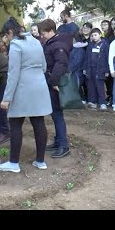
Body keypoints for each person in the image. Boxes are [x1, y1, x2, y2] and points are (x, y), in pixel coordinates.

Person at [0, 17, 52, 173]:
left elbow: (13, 74)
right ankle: (40, 161)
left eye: (6, 36)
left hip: (23, 88)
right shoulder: (36, 42)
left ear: (11, 32)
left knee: (15, 124)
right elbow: (44, 66)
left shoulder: (16, 45)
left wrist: (6, 98)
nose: (6, 39)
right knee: (38, 122)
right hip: (39, 86)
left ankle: (14, 163)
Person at [40, 18, 72, 158]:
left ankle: (64, 146)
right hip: (51, 82)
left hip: (55, 84)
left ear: (51, 31)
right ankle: (58, 141)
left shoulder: (58, 45)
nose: (42, 36)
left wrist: (53, 82)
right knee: (55, 114)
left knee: (58, 114)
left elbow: (61, 64)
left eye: (43, 33)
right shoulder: (50, 43)